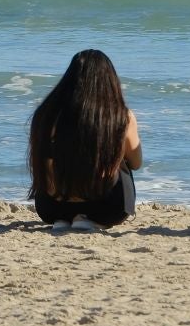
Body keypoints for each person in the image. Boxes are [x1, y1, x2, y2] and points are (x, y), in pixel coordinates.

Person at [27, 48, 143, 233]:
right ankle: (89, 219)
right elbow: (136, 163)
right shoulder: (121, 116)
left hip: (51, 207)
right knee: (120, 160)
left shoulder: (46, 114)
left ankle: (64, 218)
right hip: (107, 208)